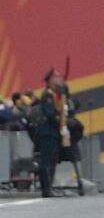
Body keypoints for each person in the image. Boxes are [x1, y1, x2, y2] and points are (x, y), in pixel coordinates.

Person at [34, 69, 64, 197]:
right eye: (56, 77)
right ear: (51, 79)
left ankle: (48, 187)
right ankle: (46, 189)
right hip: (47, 131)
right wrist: (61, 123)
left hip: (52, 131)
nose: (59, 79)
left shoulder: (55, 93)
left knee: (52, 159)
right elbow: (50, 114)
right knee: (45, 160)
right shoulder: (47, 94)